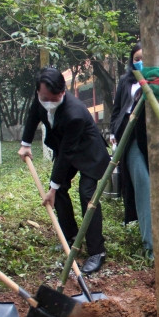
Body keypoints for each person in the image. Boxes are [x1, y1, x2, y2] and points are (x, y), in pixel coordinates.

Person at [19, 67, 110, 274]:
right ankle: (69, 236)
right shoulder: (41, 98)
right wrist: (25, 143)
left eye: (56, 96)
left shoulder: (74, 113)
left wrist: (51, 187)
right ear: (39, 93)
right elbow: (34, 114)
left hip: (89, 153)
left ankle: (97, 251)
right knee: (59, 191)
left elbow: (66, 154)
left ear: (63, 91)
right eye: (45, 97)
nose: (49, 101)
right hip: (67, 149)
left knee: (88, 195)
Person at [110, 43, 153, 256]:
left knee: (157, 187)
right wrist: (113, 132)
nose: (141, 61)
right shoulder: (126, 81)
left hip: (154, 139)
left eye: (145, 57)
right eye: (137, 58)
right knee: (143, 186)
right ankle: (150, 245)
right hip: (131, 137)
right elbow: (117, 109)